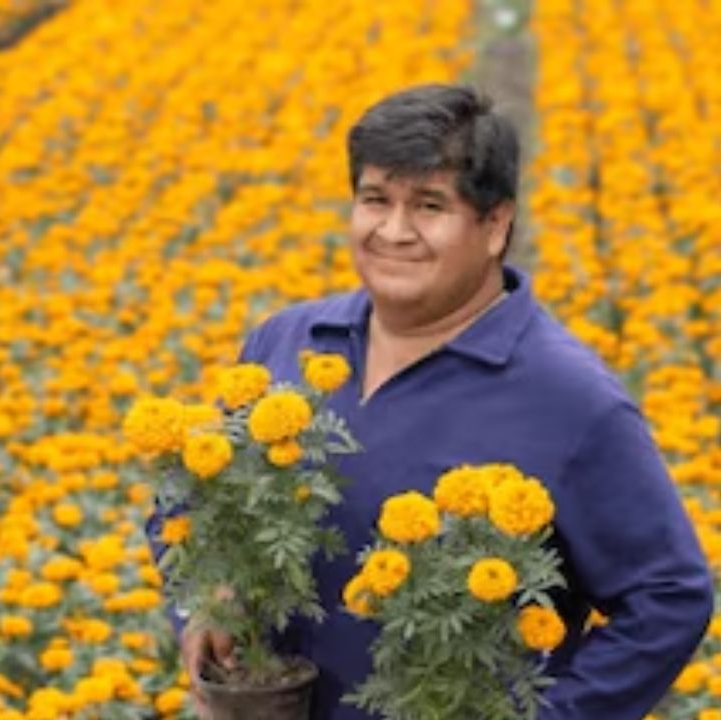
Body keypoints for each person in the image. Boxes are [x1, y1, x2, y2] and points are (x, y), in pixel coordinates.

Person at [146, 83, 714, 719]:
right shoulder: (287, 343)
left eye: (428, 205)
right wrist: (203, 603)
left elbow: (668, 598)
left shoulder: (569, 399)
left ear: (495, 225)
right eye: (375, 200)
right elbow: (191, 499)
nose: (394, 231)